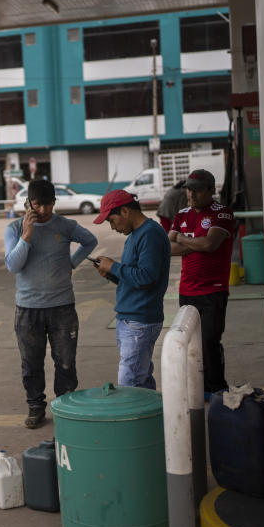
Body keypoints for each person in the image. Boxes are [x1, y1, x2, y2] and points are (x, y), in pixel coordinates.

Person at [4, 179, 98, 428]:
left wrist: (72, 263)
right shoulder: (14, 229)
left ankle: (66, 406)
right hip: (28, 309)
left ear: (54, 203)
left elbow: (90, 241)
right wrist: (26, 236)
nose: (43, 211)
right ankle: (36, 407)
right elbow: (13, 265)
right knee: (31, 363)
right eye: (38, 205)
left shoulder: (66, 225)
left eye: (48, 205)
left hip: (62, 307)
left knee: (66, 360)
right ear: (28, 204)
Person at [91, 190, 171, 389]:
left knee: (130, 384)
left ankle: (137, 419)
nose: (112, 227)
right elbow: (136, 278)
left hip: (140, 321)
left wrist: (114, 267)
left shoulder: (150, 234)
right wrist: (112, 274)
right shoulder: (137, 235)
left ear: (125, 211)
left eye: (112, 220)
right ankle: (151, 418)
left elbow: (146, 278)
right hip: (130, 319)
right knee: (140, 379)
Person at [168, 169, 236, 397]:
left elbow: (211, 245)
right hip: (187, 291)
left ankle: (216, 387)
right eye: (189, 189)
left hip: (213, 291)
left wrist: (184, 240)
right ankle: (197, 386)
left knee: (209, 341)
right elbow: (169, 247)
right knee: (189, 344)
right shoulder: (182, 214)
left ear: (210, 190)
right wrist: (198, 243)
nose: (191, 194)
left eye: (197, 190)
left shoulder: (222, 213)